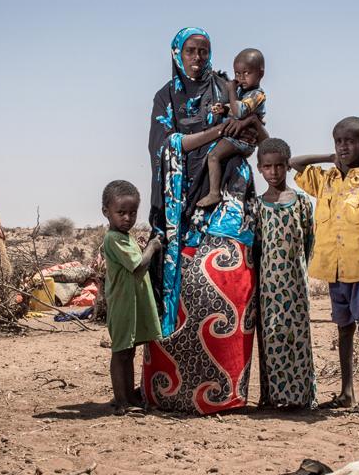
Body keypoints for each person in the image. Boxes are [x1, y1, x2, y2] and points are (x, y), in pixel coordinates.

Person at [145, 27, 268, 414]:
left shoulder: (225, 88)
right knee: (179, 288)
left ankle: (226, 391)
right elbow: (164, 145)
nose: (198, 57)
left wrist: (237, 127)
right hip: (180, 206)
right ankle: (171, 391)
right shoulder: (165, 97)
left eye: (204, 51)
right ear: (177, 54)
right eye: (191, 51)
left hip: (229, 199)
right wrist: (216, 131)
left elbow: (256, 132)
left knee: (228, 285)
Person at [291, 117, 359, 416]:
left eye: (350, 141)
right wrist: (330, 158)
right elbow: (295, 163)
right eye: (338, 141)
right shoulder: (325, 179)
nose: (343, 146)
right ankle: (346, 392)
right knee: (344, 330)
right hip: (335, 268)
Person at [252, 138, 317, 409]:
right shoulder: (257, 206)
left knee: (298, 337)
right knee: (272, 336)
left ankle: (302, 397)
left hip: (295, 283)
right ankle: (274, 397)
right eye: (268, 167)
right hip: (267, 285)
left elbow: (309, 241)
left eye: (279, 166)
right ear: (260, 169)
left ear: (287, 167)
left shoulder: (301, 201)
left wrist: (297, 267)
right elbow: (256, 246)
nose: (274, 172)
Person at [101, 180, 162, 415]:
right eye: (121, 213)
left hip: (131, 304)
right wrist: (153, 247)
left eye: (132, 212)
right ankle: (121, 401)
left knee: (129, 352)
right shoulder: (114, 239)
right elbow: (137, 267)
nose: (127, 218)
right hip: (123, 305)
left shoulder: (125, 237)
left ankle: (127, 396)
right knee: (121, 353)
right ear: (106, 212)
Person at [197, 48, 267, 208]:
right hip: (237, 138)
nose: (241, 78)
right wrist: (224, 108)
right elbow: (234, 109)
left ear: (260, 73)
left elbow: (240, 112)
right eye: (237, 74)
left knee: (213, 156)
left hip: (243, 141)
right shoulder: (244, 91)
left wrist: (231, 91)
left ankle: (214, 193)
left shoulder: (257, 94)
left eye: (246, 73)